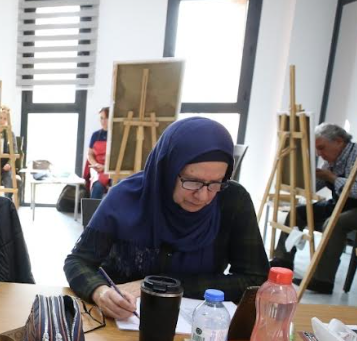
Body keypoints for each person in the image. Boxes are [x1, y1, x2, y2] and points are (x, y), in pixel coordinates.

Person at [64, 117, 268, 319]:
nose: (203, 196)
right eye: (192, 181)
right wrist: (100, 292)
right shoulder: (124, 198)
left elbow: (255, 280)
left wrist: (158, 286)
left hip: (198, 329)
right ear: (167, 170)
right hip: (121, 320)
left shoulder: (232, 201)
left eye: (216, 182)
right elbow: (78, 261)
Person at [271, 122, 357, 293]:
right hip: (342, 204)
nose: (319, 153)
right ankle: (282, 262)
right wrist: (302, 175)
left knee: (336, 222)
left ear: (338, 141)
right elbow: (313, 188)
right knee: (298, 212)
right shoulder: (333, 159)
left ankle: (323, 280)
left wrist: (332, 178)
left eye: (322, 148)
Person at [83, 107, 111, 199]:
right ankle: (93, 208)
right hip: (97, 169)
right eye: (101, 118)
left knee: (117, 186)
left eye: (106, 118)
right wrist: (95, 164)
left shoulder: (116, 135)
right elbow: (90, 154)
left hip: (111, 170)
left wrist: (106, 167)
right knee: (98, 186)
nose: (103, 121)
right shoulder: (95, 135)